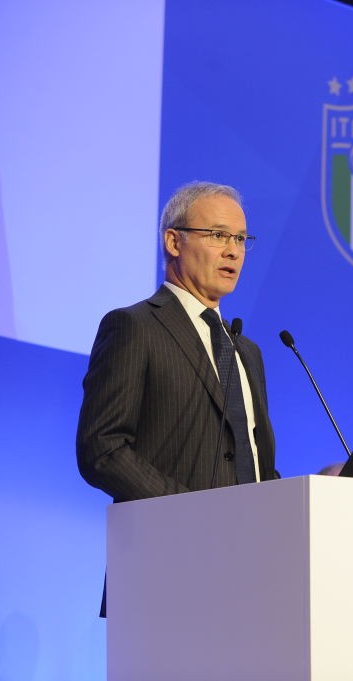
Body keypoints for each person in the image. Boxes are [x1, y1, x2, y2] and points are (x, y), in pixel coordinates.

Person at [77, 180, 278, 502]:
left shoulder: (246, 350)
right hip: (170, 539)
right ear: (174, 241)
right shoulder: (136, 327)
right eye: (218, 235)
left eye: (240, 239)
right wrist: (188, 510)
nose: (233, 251)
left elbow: (257, 464)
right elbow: (103, 447)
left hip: (249, 542)